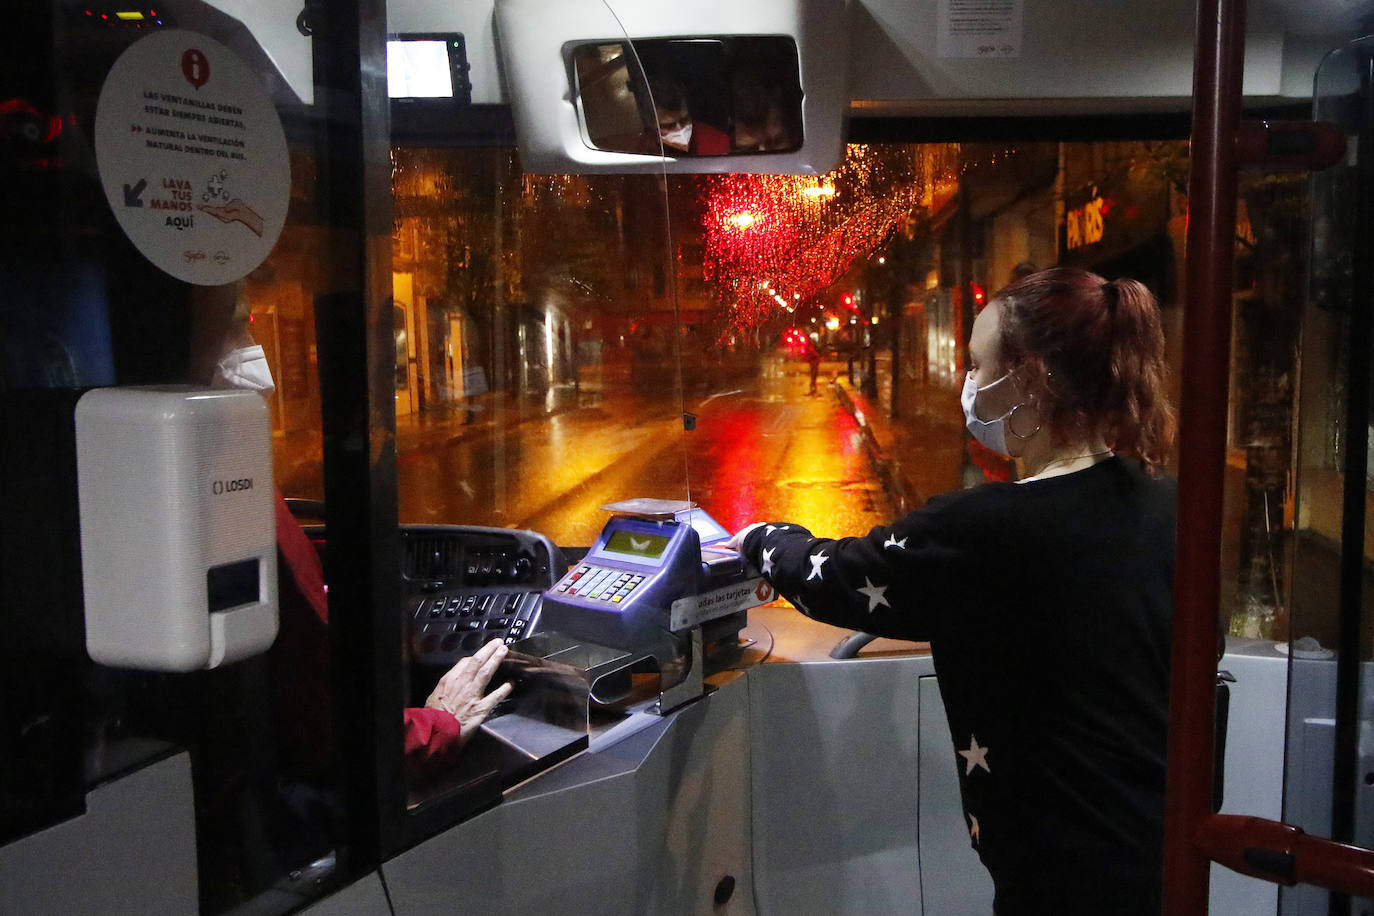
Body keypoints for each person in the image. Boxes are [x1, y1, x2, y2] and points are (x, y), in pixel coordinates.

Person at [729, 267, 1176, 914]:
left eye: (977, 363)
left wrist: (756, 538)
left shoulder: (985, 530)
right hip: (1158, 849)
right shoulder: (1165, 505)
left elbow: (839, 577)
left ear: (1030, 378)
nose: (969, 383)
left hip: (1059, 875)